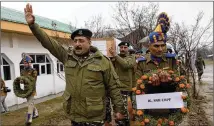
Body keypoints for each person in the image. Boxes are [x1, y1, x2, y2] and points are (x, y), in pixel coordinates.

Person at [24, 3, 125, 126]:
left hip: (96, 116)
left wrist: (119, 110)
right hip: (75, 115)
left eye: (81, 41)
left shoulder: (103, 61)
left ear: (89, 42)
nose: (77, 44)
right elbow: (49, 43)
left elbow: (113, 87)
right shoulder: (67, 56)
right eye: (75, 41)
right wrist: (33, 26)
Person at [109, 41, 136, 125]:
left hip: (125, 86)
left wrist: (115, 56)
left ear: (128, 48)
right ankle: (120, 122)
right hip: (116, 86)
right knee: (117, 108)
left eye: (125, 47)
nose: (123, 49)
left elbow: (126, 65)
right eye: (121, 47)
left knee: (124, 109)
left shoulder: (131, 57)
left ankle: (126, 122)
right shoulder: (115, 57)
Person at [20, 54, 39, 126]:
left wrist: (26, 80)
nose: (25, 64)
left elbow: (34, 80)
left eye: (26, 62)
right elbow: (21, 80)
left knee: (30, 104)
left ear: (29, 63)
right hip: (26, 90)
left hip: (32, 90)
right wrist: (21, 81)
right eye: (24, 62)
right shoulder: (22, 71)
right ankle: (36, 113)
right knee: (30, 103)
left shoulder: (33, 70)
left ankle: (29, 119)